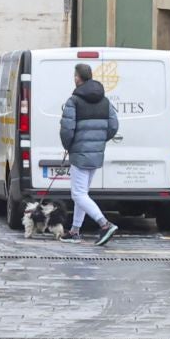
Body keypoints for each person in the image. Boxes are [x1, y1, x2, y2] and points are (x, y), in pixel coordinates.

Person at [58, 62, 120, 244]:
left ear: (78, 78)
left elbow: (66, 129)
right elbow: (114, 126)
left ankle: (105, 224)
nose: (74, 78)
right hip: (96, 153)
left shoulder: (74, 101)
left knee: (77, 194)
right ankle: (75, 230)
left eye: (74, 76)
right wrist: (100, 141)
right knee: (82, 193)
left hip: (80, 153)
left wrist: (68, 145)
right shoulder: (105, 101)